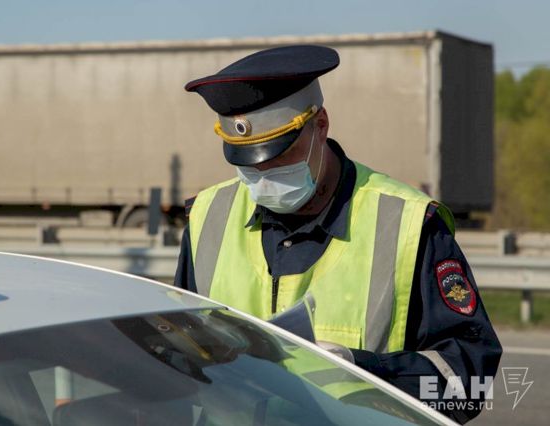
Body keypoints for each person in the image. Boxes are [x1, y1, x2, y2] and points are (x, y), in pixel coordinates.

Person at [175, 45, 501, 423]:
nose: (264, 175)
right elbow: (176, 359)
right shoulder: (208, 217)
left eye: (280, 155)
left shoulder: (409, 224)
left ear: (321, 125)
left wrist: (363, 372)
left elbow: (470, 382)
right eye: (247, 163)